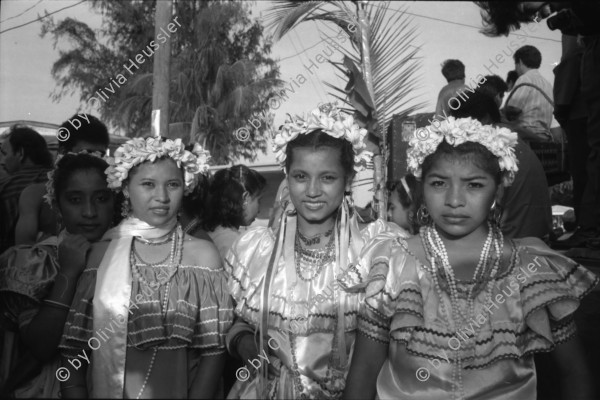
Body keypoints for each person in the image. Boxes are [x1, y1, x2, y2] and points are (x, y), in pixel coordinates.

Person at [344, 117, 598, 400]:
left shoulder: (531, 269)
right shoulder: (393, 262)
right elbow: (365, 370)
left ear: (498, 188)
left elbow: (574, 373)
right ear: (421, 186)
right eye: (439, 183)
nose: (455, 200)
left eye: (474, 185)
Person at [225, 104, 403, 399]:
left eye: (327, 178)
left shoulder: (376, 250)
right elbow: (236, 322)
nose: (312, 191)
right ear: (287, 176)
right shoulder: (257, 250)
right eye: (300, 177)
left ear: (348, 180)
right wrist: (244, 342)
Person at [58, 137, 232, 398]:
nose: (161, 197)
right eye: (148, 184)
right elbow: (74, 352)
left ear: (185, 187)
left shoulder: (202, 255)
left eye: (172, 184)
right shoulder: (102, 254)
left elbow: (214, 351)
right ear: (126, 188)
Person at [0, 152, 115, 398]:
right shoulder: (40, 259)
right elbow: (42, 347)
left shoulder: (128, 255)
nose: (89, 212)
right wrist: (68, 272)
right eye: (75, 199)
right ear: (57, 206)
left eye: (101, 198)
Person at [450, 89, 552, 239]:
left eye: (462, 126)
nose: (459, 134)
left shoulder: (487, 147)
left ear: (484, 119)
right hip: (538, 237)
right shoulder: (510, 138)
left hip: (511, 243)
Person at [14, 114, 110, 246]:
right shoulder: (34, 195)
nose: (95, 160)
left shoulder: (114, 193)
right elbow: (24, 252)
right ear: (63, 152)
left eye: (101, 155)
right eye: (87, 153)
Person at [0, 125, 53, 253]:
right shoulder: (62, 179)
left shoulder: (7, 187)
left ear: (20, 153)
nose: (1, 161)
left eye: (4, 153)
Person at [203, 165, 266, 260]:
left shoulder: (208, 234)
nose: (259, 210)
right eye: (259, 200)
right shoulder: (236, 244)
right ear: (245, 198)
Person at [504, 45, 554, 142]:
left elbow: (514, 109)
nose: (516, 69)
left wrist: (502, 112)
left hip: (527, 134)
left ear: (521, 62)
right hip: (545, 135)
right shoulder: (547, 83)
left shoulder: (525, 78)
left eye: (516, 64)